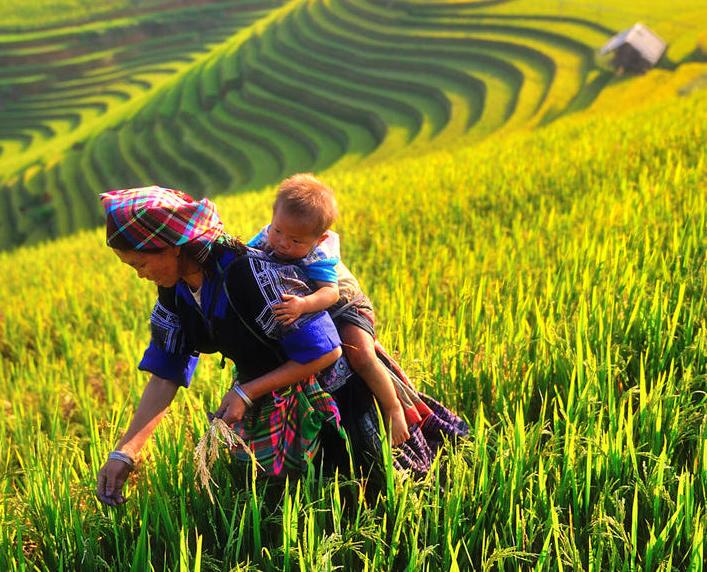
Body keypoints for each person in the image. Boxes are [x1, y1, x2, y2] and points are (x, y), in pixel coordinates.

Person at [94, 186, 467, 507]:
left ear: (173, 248)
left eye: (140, 263)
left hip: (334, 395)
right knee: (299, 505)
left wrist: (247, 390)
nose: (140, 274)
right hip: (275, 394)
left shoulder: (248, 275)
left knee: (381, 492)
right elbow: (166, 373)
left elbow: (326, 350)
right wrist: (125, 452)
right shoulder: (174, 294)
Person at [247, 173, 409, 446]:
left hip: (345, 306)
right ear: (273, 218)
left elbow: (330, 293)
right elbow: (246, 257)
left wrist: (302, 305)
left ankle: (393, 408)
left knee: (361, 356)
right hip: (315, 314)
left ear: (319, 239)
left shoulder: (320, 255)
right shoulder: (270, 235)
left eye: (296, 241)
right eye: (278, 232)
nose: (283, 243)